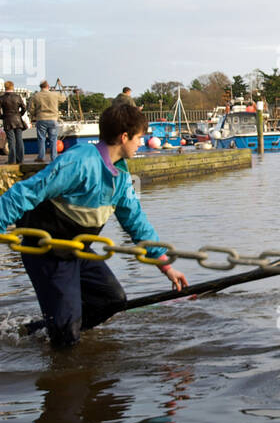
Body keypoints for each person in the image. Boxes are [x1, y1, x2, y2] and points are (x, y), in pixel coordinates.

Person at [0, 102, 188, 347]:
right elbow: (25, 192)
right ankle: (62, 341)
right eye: (139, 138)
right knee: (67, 332)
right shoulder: (79, 162)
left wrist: (165, 266)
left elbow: (136, 222)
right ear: (124, 137)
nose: (141, 143)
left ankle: (42, 331)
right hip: (47, 252)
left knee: (112, 300)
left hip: (78, 250)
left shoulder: (120, 177)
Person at [28, 80, 62, 163]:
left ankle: (41, 157)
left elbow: (30, 109)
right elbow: (63, 99)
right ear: (48, 86)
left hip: (41, 119)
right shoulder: (54, 95)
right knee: (53, 139)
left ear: (40, 87)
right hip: (53, 119)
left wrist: (35, 115)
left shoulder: (36, 96)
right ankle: (54, 157)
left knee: (41, 138)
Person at [2, 80, 27, 166]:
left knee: (11, 141)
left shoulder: (2, 98)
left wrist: (3, 117)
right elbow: (24, 108)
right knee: (19, 140)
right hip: (18, 121)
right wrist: (19, 115)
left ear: (5, 87)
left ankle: (12, 160)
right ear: (12, 87)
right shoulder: (18, 97)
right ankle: (20, 159)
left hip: (8, 121)